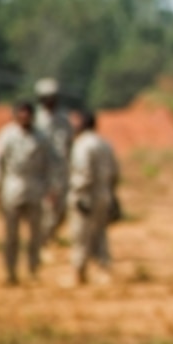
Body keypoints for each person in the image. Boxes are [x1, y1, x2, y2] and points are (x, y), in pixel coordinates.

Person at [0, 100, 62, 286]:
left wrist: (53, 188)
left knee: (35, 234)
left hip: (35, 187)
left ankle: (33, 270)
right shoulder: (6, 135)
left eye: (27, 113)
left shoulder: (42, 138)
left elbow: (52, 164)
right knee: (11, 235)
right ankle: (10, 272)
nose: (24, 117)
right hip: (12, 187)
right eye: (21, 113)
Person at [66, 108, 120, 286]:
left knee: (80, 236)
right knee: (100, 235)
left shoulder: (82, 145)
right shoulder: (105, 143)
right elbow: (114, 172)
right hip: (104, 195)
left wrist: (79, 193)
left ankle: (78, 274)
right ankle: (105, 271)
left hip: (86, 197)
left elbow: (84, 173)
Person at [34, 77, 73, 246]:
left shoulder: (64, 119)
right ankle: (41, 241)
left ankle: (50, 234)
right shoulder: (36, 121)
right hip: (42, 171)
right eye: (47, 97)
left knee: (62, 209)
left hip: (62, 170)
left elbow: (70, 142)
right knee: (46, 208)